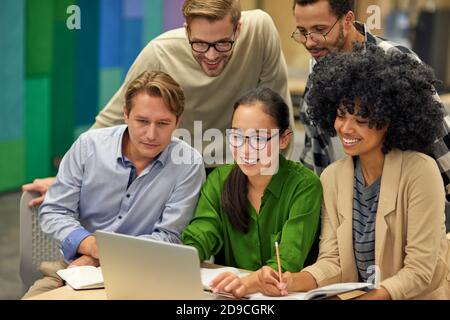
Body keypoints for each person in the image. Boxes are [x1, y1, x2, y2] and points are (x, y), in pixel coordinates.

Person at [22, 0, 295, 207]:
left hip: (243, 164)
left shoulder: (260, 30)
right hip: (185, 166)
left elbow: (277, 114)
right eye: (199, 44)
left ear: (238, 28)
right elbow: (112, 119)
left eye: (223, 44)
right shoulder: (161, 51)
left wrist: (277, 182)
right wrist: (66, 181)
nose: (211, 56)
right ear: (186, 30)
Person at [258, 45, 450, 300]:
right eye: (341, 115)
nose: (346, 128)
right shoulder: (332, 177)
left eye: (361, 120)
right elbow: (332, 262)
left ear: (389, 119)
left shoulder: (420, 172)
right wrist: (291, 280)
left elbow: (419, 271)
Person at [22, 71, 205, 298]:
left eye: (163, 123)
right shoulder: (88, 146)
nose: (151, 134)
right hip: (74, 269)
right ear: (126, 114)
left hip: (146, 273)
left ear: (178, 122)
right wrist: (89, 246)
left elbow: (169, 236)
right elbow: (54, 210)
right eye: (142, 121)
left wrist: (100, 257)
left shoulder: (189, 163)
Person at [292, 0, 450, 200]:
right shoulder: (319, 67)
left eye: (320, 29)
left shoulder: (395, 59)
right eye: (302, 31)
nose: (309, 42)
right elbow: (313, 152)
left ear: (347, 19)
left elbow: (442, 148)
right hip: (347, 214)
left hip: (407, 205)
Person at [181, 88, 322, 298]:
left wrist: (251, 281)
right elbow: (201, 234)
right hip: (229, 297)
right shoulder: (219, 180)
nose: (245, 150)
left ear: (284, 140)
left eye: (258, 139)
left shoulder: (304, 186)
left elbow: (287, 260)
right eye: (237, 136)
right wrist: (181, 258)